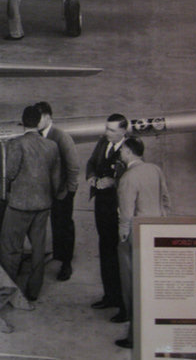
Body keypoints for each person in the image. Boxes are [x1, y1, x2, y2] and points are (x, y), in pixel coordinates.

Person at [0, 105, 62, 301]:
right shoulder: (51, 145)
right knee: (38, 248)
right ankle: (34, 290)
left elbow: (10, 173)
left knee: (10, 247)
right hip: (43, 204)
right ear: (38, 122)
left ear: (23, 122)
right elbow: (56, 178)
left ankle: (8, 289)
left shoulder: (17, 144)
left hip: (20, 205)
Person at [115, 137, 170, 349]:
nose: (120, 154)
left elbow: (126, 213)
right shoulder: (155, 169)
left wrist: (122, 235)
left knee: (132, 286)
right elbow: (165, 198)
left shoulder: (129, 178)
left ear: (128, 152)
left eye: (122, 151)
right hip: (155, 232)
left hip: (134, 236)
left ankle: (134, 337)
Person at [86, 113, 129, 323]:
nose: (107, 133)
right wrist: (92, 176)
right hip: (102, 205)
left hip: (118, 207)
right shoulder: (103, 142)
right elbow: (92, 162)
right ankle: (110, 296)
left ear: (123, 131)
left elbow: (132, 174)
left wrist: (112, 181)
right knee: (105, 249)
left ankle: (124, 304)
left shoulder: (130, 148)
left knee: (120, 256)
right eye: (106, 128)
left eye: (112, 130)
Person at [35, 101, 80, 281]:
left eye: (38, 118)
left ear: (47, 117)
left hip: (61, 192)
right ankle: (54, 254)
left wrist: (69, 191)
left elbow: (74, 166)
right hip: (43, 191)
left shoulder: (61, 137)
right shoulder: (37, 135)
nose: (35, 122)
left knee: (63, 226)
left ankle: (66, 263)